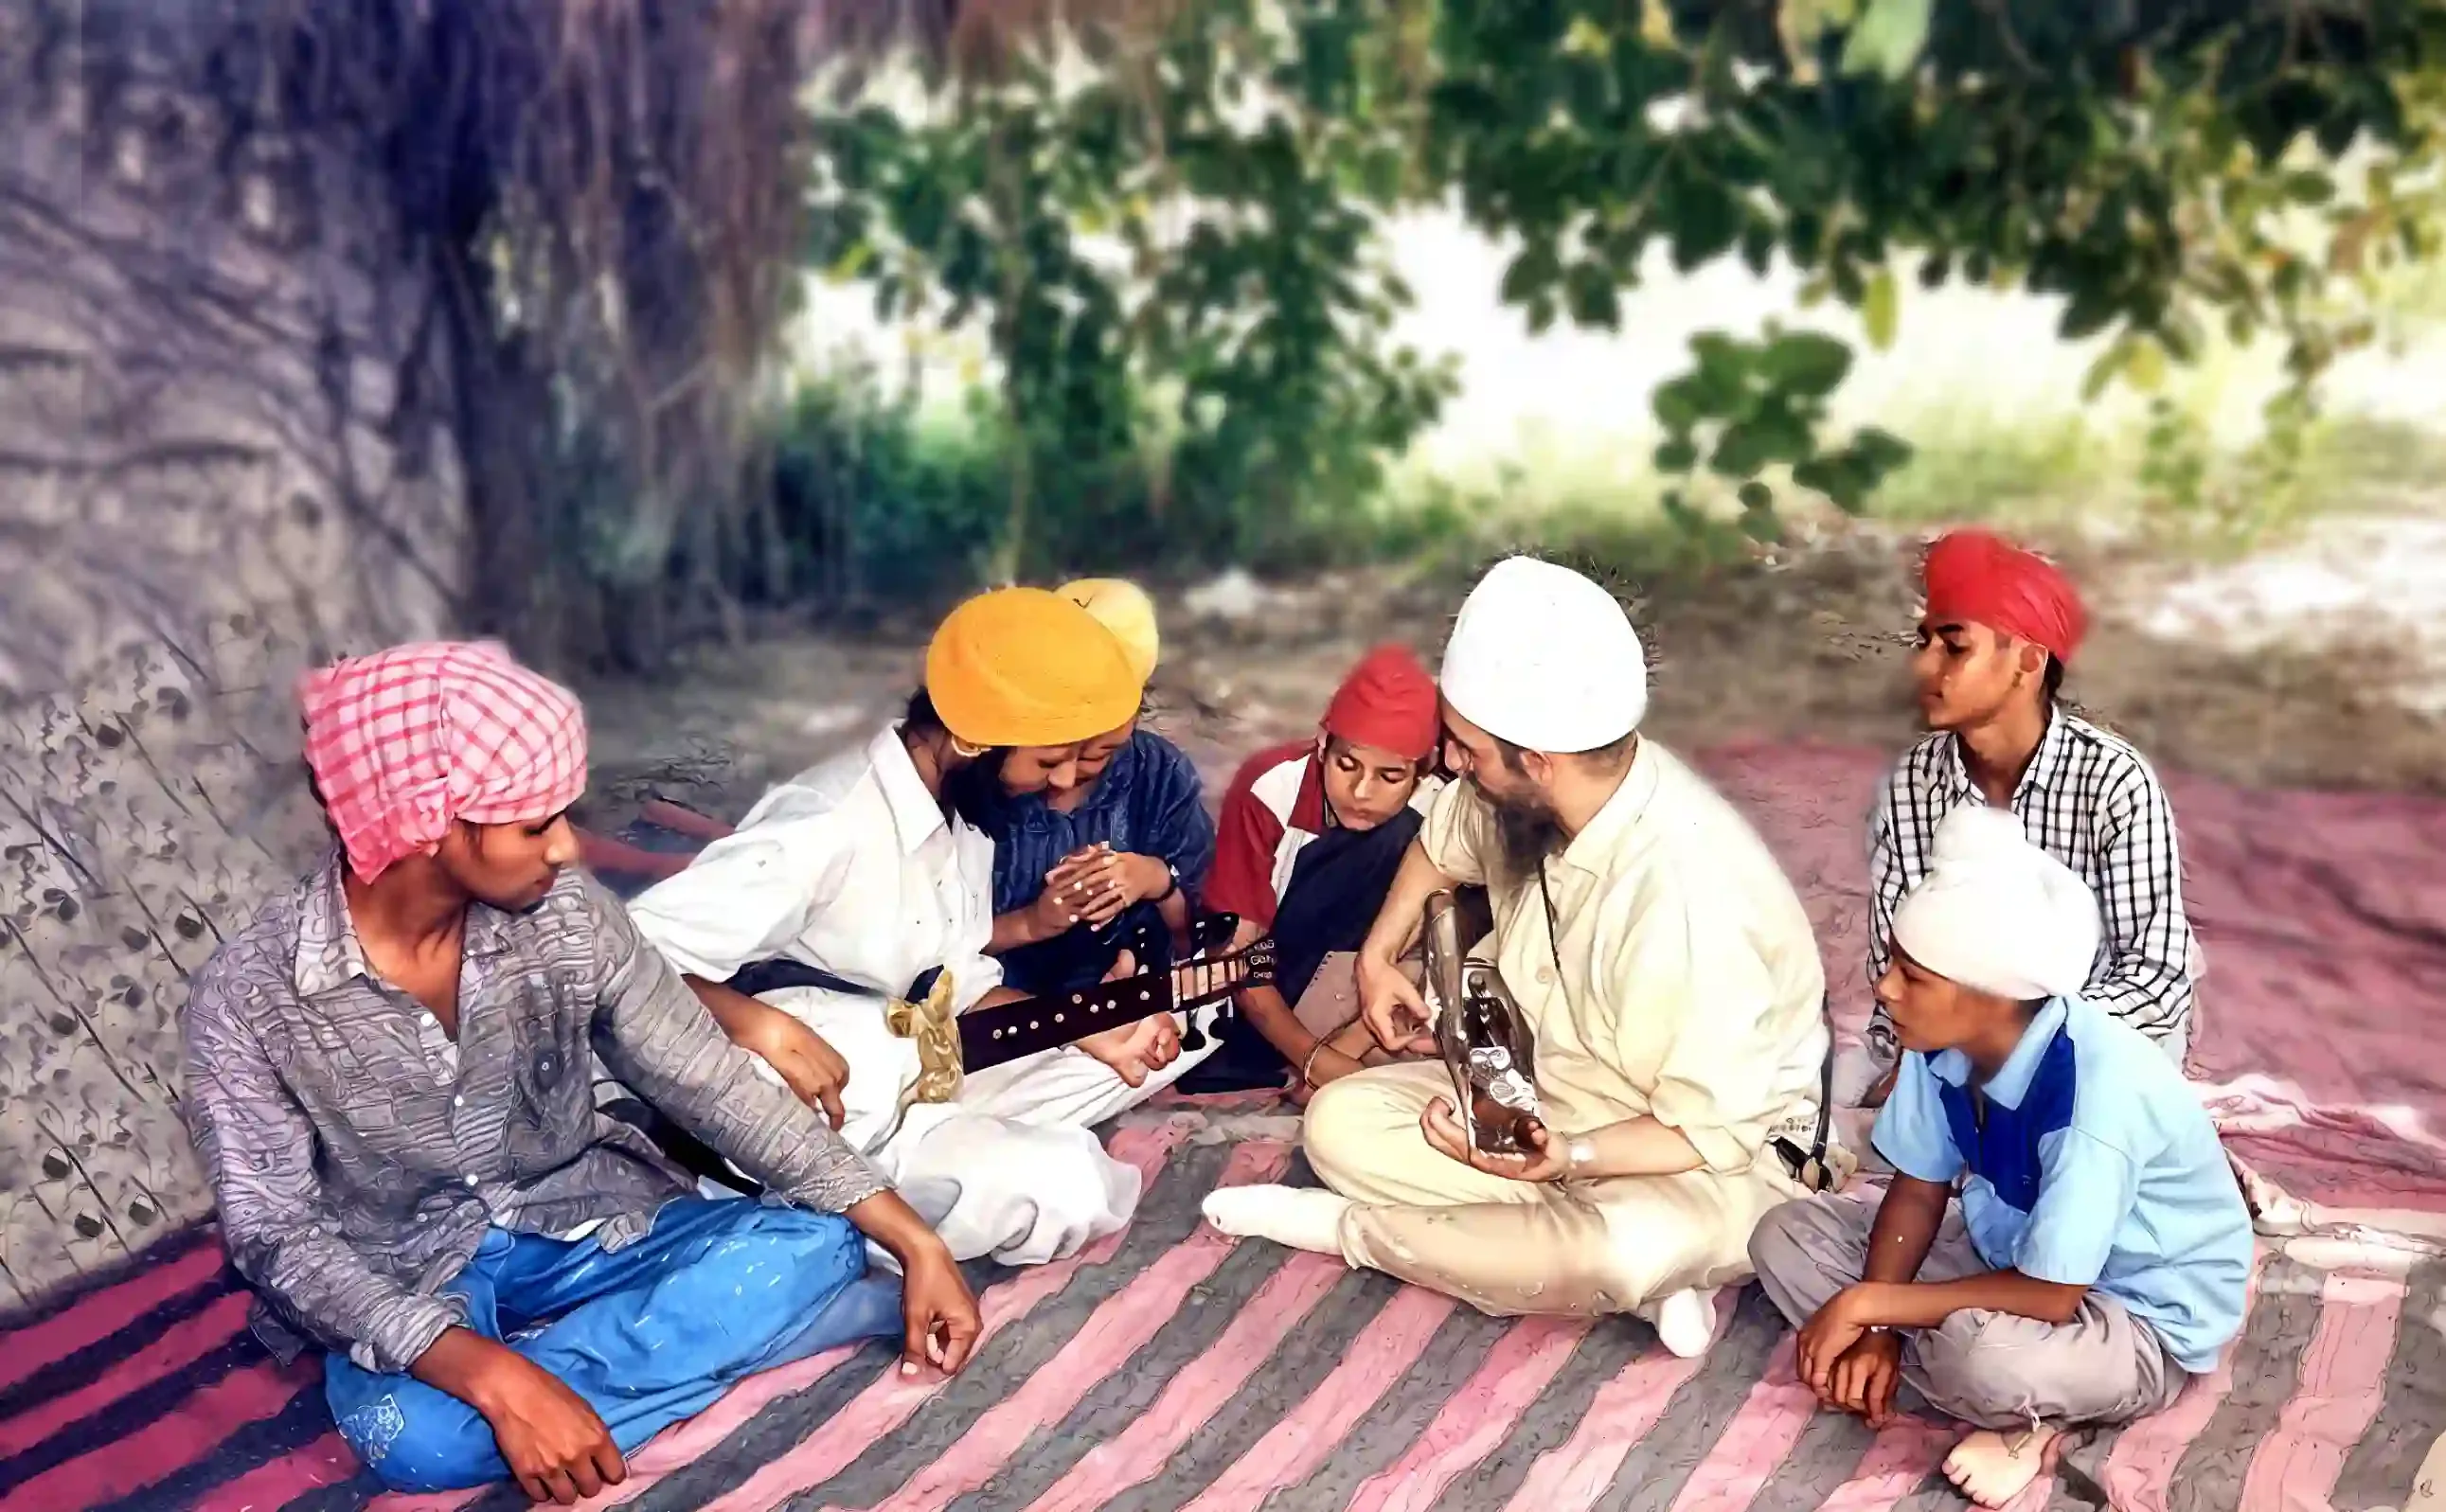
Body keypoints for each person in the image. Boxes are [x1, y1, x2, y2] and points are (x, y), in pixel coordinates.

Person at [182, 642, 981, 1504]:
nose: (567, 846)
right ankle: (747, 1336)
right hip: (409, 1277)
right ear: (428, 825)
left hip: (590, 1223)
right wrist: (492, 1378)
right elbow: (275, 1234)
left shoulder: (568, 919)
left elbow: (706, 1080)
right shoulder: (251, 995)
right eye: (535, 824)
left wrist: (915, 1241)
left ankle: (595, 1373)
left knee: (818, 1238)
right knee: (407, 1441)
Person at [1205, 558, 1835, 1360]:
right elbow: (1445, 845)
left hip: (1709, 1158)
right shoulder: (1525, 796)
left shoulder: (1682, 899)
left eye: (1466, 751)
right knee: (1339, 1123)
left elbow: (1707, 1127)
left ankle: (1356, 1232)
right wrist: (1378, 952)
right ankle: (1612, 1271)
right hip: (1546, 1096)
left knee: (1620, 1249)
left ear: (1536, 759)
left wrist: (1566, 1158)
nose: (1453, 767)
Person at [625, 587, 1211, 1269]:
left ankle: (934, 1176)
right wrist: (753, 1022)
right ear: (972, 739)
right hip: (821, 1112)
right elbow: (622, 955)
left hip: (918, 1068)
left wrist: (1085, 1024)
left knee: (1168, 1031)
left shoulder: (963, 814)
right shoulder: (827, 820)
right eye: (1047, 762)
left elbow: (954, 987)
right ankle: (832, 1214)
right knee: (1067, 1187)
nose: (1057, 788)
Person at [1750, 806, 2249, 1508]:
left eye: (1911, 975)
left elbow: (2053, 1296)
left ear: (1990, 998)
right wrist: (1883, 1326)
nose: (1885, 987)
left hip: (2135, 1317)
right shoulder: (1937, 1044)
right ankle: (1930, 1364)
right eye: (1893, 962)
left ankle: (2047, 1422)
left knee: (1978, 1356)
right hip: (2010, 1256)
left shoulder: (2094, 1095)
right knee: (1784, 1234)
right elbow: (1918, 1190)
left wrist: (1869, 1301)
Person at [1857, 529, 2199, 1110]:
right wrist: (1923, 1070)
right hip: (1947, 1050)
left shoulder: (2113, 782)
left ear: (2029, 662)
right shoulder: (1912, 784)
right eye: (1925, 644)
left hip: (2090, 1056)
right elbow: (1898, 963)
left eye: (1954, 646)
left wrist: (2013, 1053)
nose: (1924, 666)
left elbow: (2156, 979)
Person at [1181, 643, 1444, 1094]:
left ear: (1424, 770)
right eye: (1347, 764)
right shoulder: (1269, 786)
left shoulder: (1442, 801)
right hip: (1269, 995)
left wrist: (1351, 1043)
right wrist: (1313, 1059)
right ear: (1322, 745)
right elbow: (1234, 954)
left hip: (1379, 992)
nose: (1362, 791)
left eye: (1390, 776)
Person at [968, 578, 1216, 1001]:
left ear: (1136, 708)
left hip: (1135, 1013)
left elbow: (1201, 945)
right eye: (1050, 757)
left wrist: (1156, 879)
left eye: (1093, 754)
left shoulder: (1158, 776)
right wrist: (1031, 922)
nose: (1064, 776)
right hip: (993, 1020)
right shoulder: (980, 781)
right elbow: (922, 957)